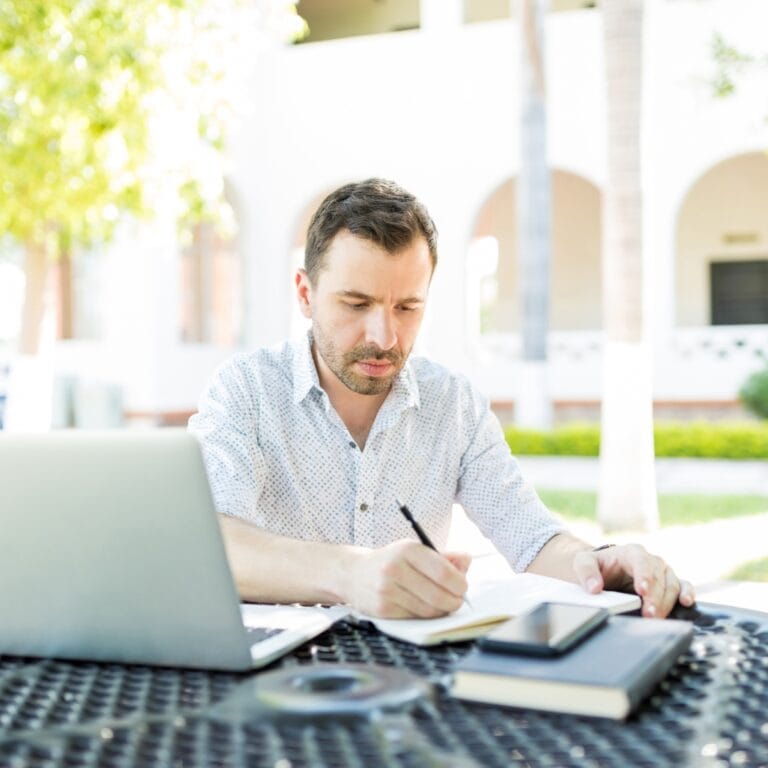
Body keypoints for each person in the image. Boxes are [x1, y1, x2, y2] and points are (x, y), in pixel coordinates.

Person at [188, 177, 695, 620]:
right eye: (356, 303)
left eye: (407, 306)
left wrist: (597, 561)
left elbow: (531, 537)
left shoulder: (454, 406)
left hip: (413, 680)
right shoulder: (245, 392)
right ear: (304, 294)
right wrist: (351, 574)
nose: (385, 336)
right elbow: (210, 545)